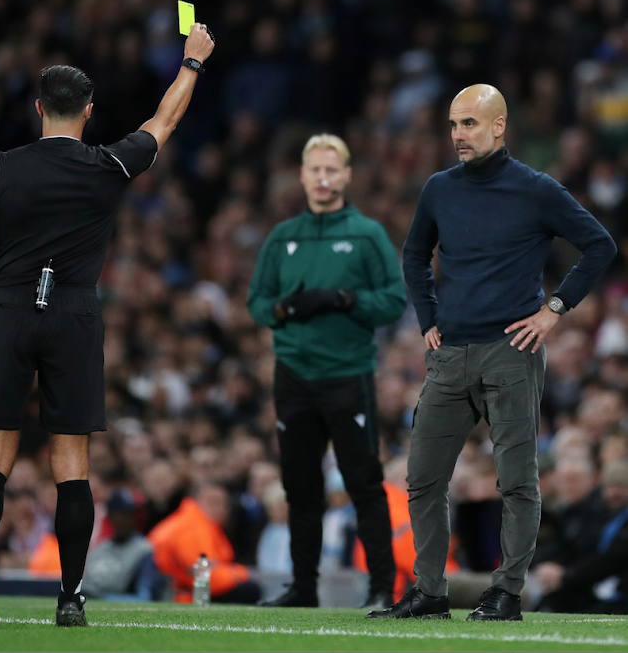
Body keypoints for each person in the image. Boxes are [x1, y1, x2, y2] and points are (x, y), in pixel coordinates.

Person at [0, 24, 215, 627]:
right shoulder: (106, 165)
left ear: (38, 108)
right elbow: (162, 124)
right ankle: (70, 598)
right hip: (73, 311)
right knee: (72, 462)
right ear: (89, 112)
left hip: (11, 308)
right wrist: (192, 64)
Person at [370, 84, 617, 621]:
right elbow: (414, 255)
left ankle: (506, 592)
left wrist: (554, 309)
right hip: (450, 353)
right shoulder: (439, 188)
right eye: (454, 125)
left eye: (470, 125)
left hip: (512, 349)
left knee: (517, 480)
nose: (458, 135)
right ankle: (430, 592)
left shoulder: (537, 190)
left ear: (499, 126)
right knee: (423, 478)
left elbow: (601, 245)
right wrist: (429, 318)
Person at [248, 134, 407, 609]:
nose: (322, 178)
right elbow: (256, 304)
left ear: (347, 175)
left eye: (331, 170)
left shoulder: (367, 234)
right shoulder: (283, 237)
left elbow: (394, 300)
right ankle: (303, 588)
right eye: (314, 170)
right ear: (301, 175)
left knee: (363, 482)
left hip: (347, 375)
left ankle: (381, 589)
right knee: (300, 487)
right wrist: (283, 309)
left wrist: (346, 300)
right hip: (293, 374)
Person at [535, 461, 628, 614]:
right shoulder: (605, 516)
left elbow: (612, 559)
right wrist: (549, 568)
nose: (613, 493)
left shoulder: (601, 515)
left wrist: (565, 577)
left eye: (621, 486)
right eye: (609, 487)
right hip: (596, 585)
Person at [147, 481, 261, 604]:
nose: (221, 509)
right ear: (195, 500)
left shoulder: (190, 522)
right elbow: (204, 577)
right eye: (213, 502)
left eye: (224, 504)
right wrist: (241, 574)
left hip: (176, 589)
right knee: (249, 590)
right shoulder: (193, 528)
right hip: (176, 595)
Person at [81, 489, 164, 601]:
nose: (126, 520)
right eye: (120, 514)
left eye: (130, 514)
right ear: (110, 516)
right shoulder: (99, 549)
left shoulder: (143, 551)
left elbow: (144, 597)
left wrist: (102, 598)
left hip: (116, 604)